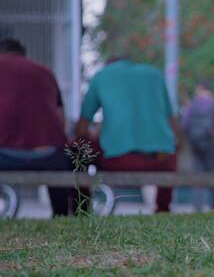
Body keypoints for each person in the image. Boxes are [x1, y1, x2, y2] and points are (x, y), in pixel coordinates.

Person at [76, 56, 178, 213]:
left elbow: (82, 127)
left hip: (117, 160)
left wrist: (98, 136)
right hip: (160, 161)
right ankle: (162, 208)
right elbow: (172, 126)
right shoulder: (155, 75)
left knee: (78, 147)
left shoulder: (102, 76)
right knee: (169, 151)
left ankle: (82, 208)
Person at [0, 38, 86, 216]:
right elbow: (60, 120)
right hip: (49, 157)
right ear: (23, 55)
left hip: (5, 155)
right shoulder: (45, 72)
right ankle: (61, 215)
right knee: (72, 154)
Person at [182, 81, 214, 212]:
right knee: (211, 172)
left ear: (200, 89)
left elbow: (185, 124)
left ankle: (197, 206)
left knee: (198, 173)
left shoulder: (192, 104)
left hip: (194, 143)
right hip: (210, 142)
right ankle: (213, 205)